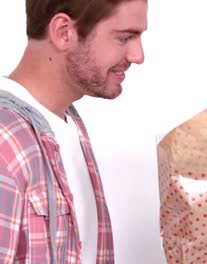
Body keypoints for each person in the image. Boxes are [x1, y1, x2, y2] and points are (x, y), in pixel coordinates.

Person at [0, 0, 147, 263]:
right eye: (124, 37)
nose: (138, 55)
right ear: (63, 32)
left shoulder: (68, 125)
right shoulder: (5, 143)